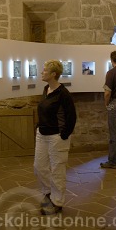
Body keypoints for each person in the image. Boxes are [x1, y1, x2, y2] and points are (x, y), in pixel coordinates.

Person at [34, 59, 77, 215]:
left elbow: (71, 117)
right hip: (42, 134)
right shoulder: (46, 89)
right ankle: (48, 193)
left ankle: (57, 201)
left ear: (53, 74)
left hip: (57, 137)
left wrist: (64, 135)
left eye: (44, 71)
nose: (41, 72)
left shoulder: (63, 94)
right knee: (39, 167)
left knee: (57, 170)